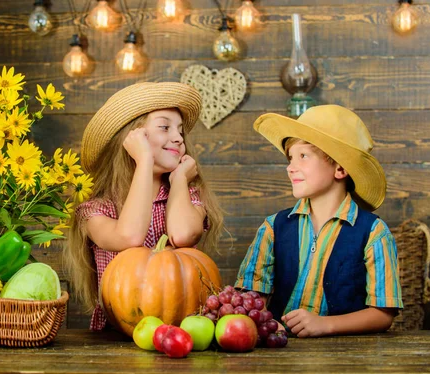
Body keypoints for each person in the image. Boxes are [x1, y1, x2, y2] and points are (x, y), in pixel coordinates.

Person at [65, 82, 224, 331]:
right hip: (117, 334)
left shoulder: (187, 196)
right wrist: (144, 162)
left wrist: (180, 179)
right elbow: (129, 236)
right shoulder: (96, 209)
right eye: (164, 127)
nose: (178, 137)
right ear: (131, 138)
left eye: (180, 131)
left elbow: (183, 235)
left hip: (179, 330)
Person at [235, 105, 403, 338]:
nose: (290, 167)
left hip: (348, 356)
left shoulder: (374, 233)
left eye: (303, 156)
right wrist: (266, 323)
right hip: (279, 355)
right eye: (290, 157)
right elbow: (252, 301)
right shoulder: (272, 228)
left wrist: (326, 324)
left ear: (340, 168)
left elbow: (383, 314)